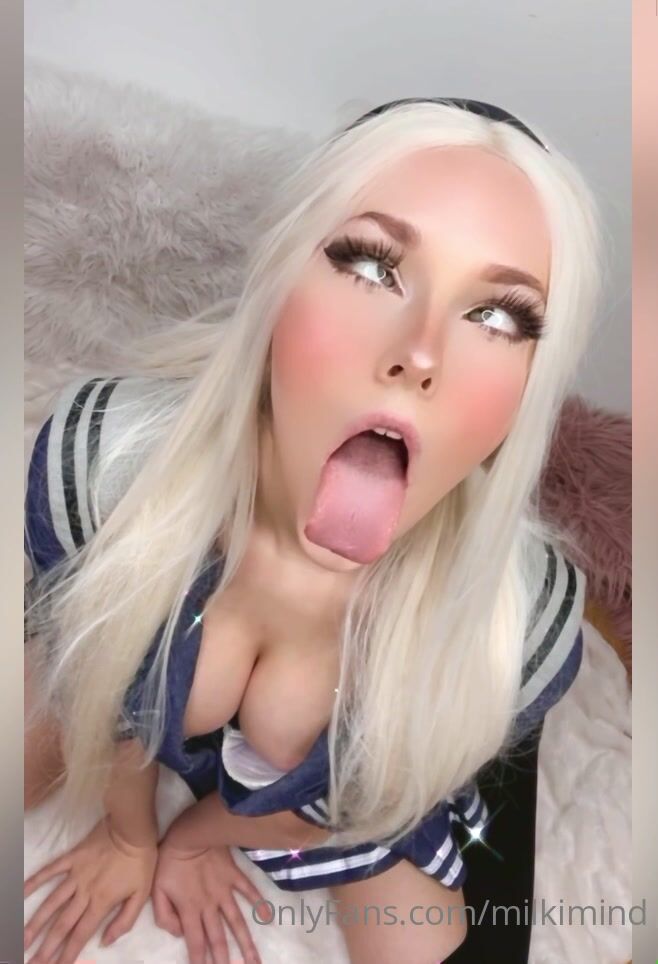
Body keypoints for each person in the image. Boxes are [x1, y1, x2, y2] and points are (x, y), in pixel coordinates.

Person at [24, 98, 602, 964]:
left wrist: (198, 841)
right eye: (371, 265)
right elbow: (98, 693)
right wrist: (130, 834)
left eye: (498, 316)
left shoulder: (520, 622)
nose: (420, 354)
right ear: (278, 279)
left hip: (337, 791)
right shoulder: (104, 462)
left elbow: (330, 812)